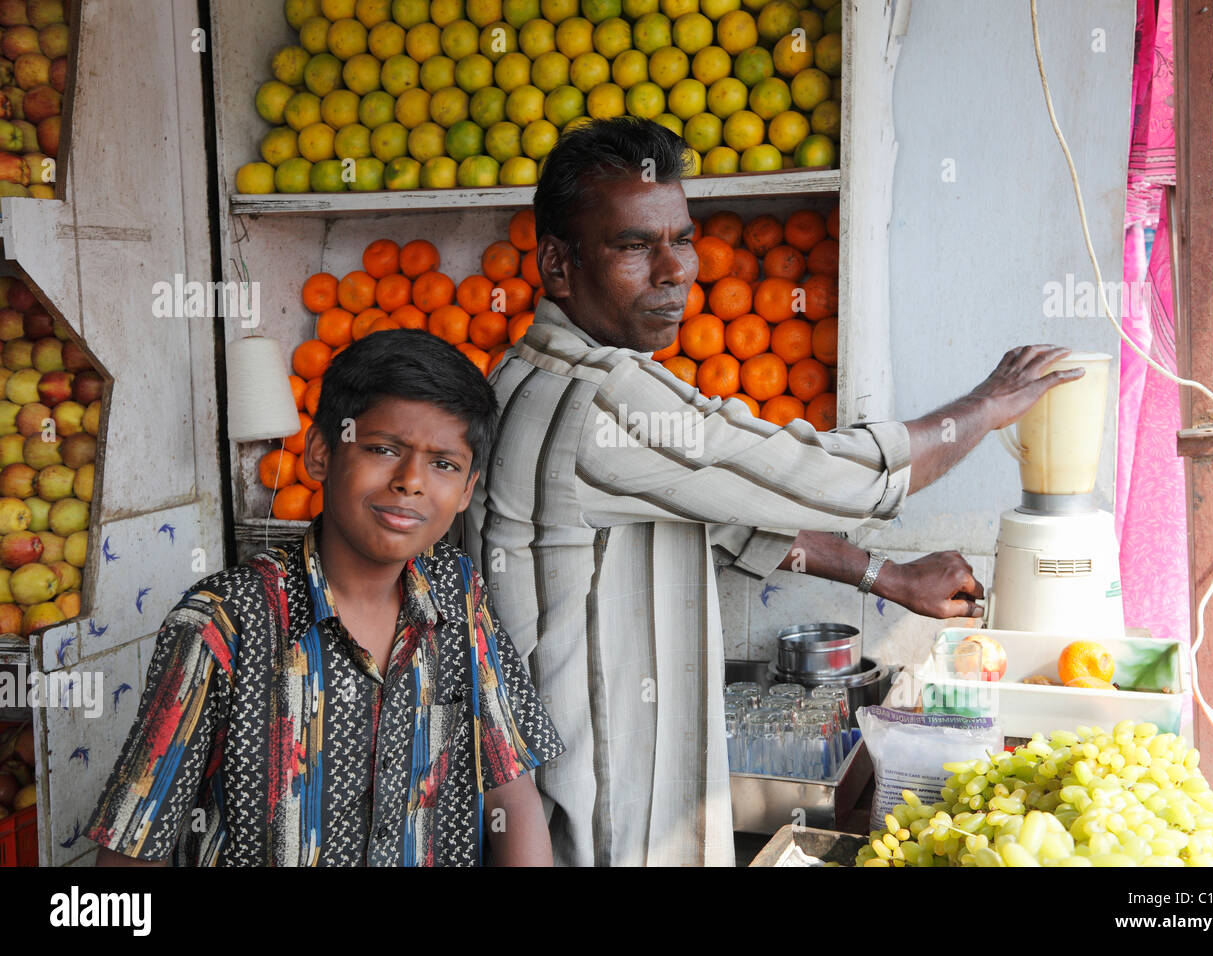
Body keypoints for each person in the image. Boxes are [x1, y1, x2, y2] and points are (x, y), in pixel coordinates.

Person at [464, 118, 1084, 866]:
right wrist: (982, 409)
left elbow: (723, 520)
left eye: (682, 239)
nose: (673, 269)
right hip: (600, 824)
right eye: (634, 245)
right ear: (558, 266)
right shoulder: (602, 400)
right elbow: (829, 476)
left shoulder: (524, 372)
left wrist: (884, 576)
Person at [87, 330, 564, 867]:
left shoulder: (458, 592)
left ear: (467, 489)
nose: (410, 481)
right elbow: (133, 845)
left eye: (443, 464)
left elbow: (510, 795)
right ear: (320, 453)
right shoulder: (223, 623)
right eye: (383, 449)